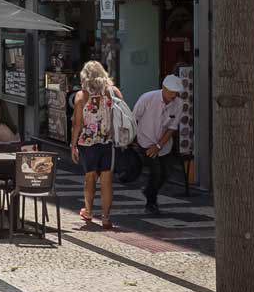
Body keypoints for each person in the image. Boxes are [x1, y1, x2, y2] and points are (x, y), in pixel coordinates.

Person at [71, 61, 123, 229]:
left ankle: (88, 211)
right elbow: (122, 114)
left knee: (90, 177)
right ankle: (106, 218)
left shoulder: (82, 95)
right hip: (108, 141)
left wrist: (73, 145)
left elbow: (77, 124)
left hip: (87, 142)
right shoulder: (113, 92)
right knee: (107, 180)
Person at [131, 74, 187, 215]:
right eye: (170, 92)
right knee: (156, 172)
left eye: (175, 93)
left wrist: (159, 146)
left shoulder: (179, 104)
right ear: (163, 88)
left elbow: (172, 128)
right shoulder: (147, 98)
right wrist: (131, 140)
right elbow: (133, 119)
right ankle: (151, 203)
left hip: (164, 144)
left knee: (166, 173)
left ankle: (149, 191)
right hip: (145, 140)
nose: (173, 95)